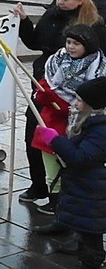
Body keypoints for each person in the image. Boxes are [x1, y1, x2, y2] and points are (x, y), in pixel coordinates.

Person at [13, 0, 106, 205]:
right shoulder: (51, 15)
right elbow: (35, 43)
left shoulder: (94, 24)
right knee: (34, 132)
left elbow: (98, 62)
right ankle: (38, 185)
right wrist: (24, 22)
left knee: (65, 143)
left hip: (76, 95)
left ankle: (61, 194)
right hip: (45, 82)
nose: (60, 2)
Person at [31, 23, 106, 217]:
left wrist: (58, 100)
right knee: (50, 167)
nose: (71, 47)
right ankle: (54, 200)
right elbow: (43, 88)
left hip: (77, 125)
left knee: (68, 166)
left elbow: (90, 102)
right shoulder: (57, 61)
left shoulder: (98, 69)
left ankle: (63, 203)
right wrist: (43, 94)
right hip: (50, 123)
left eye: (76, 44)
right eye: (69, 42)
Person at [33, 76, 106, 269]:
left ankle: (91, 262)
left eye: (80, 100)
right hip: (88, 188)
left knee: (91, 236)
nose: (75, 103)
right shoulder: (94, 124)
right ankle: (85, 257)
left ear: (94, 105)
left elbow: (81, 158)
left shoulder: (101, 130)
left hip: (93, 191)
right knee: (86, 231)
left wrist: (56, 140)